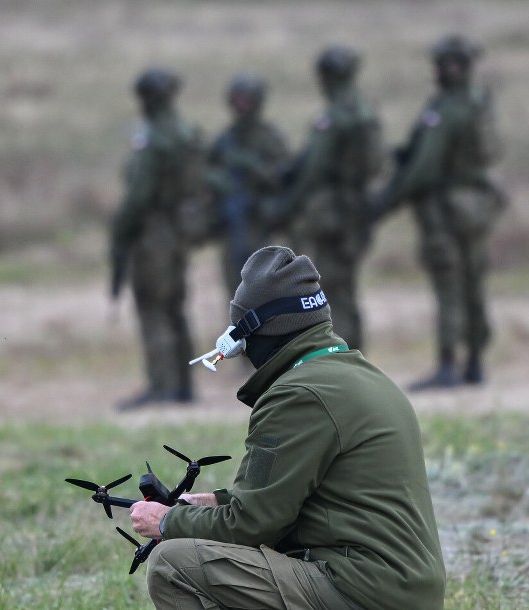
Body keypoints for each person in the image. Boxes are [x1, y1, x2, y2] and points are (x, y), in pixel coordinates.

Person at [130, 246, 445, 610]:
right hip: (401, 589)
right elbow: (289, 497)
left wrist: (168, 520)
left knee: (174, 562)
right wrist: (208, 502)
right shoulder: (362, 378)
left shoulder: (298, 396)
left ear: (254, 329)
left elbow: (250, 525)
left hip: (362, 589)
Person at [372, 34, 505, 388]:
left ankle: (448, 364)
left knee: (449, 284)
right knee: (474, 282)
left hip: (445, 210)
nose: (437, 71)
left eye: (442, 64)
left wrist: (387, 200)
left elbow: (424, 168)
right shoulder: (478, 101)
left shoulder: (446, 109)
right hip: (476, 206)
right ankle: (475, 362)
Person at [110, 67, 205, 410]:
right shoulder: (185, 132)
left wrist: (120, 229)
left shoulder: (155, 138)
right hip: (180, 227)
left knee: (153, 306)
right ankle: (184, 385)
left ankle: (161, 385)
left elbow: (139, 194)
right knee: (176, 305)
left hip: (154, 232)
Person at [278, 45, 384, 353]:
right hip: (355, 207)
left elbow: (314, 168)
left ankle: (343, 359)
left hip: (334, 213)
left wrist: (289, 204)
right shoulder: (364, 110)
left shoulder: (336, 115)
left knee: (332, 290)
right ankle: (355, 357)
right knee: (346, 288)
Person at [205, 73, 291, 297]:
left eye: (246, 100)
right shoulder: (226, 139)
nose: (241, 106)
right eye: (237, 100)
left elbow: (285, 178)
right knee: (234, 291)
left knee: (261, 291)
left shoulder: (270, 138)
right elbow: (205, 171)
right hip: (232, 225)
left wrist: (255, 168)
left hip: (258, 224)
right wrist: (216, 180)